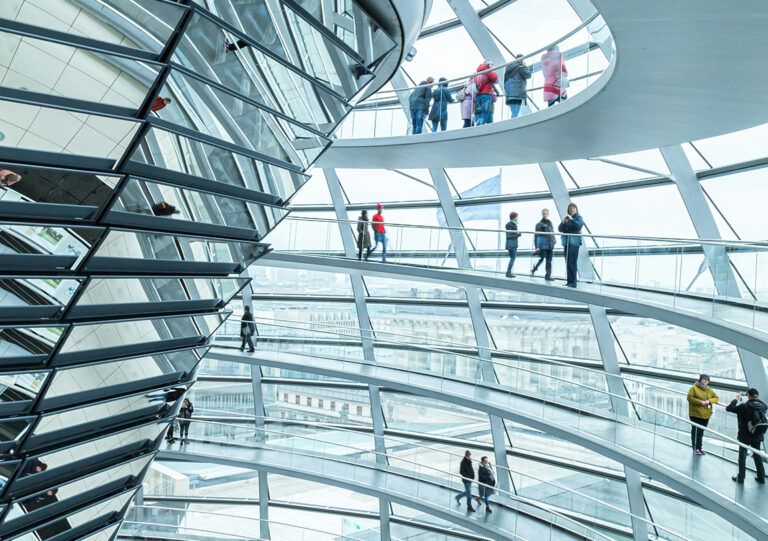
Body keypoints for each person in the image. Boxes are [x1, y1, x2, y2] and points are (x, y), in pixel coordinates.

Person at [726, 388, 767, 484]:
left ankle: (741, 477)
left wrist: (736, 399)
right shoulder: (762, 406)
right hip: (757, 436)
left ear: (748, 395)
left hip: (745, 436)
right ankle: (761, 477)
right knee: (757, 456)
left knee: (742, 456)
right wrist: (755, 398)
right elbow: (765, 405)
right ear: (757, 397)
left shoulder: (744, 406)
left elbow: (729, 408)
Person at [687, 374, 719, 455]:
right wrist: (700, 402)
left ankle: (700, 447)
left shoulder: (709, 390)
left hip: (705, 415)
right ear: (700, 379)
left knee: (701, 432)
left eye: (707, 380)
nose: (705, 381)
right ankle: (695, 448)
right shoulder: (693, 388)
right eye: (704, 379)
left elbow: (716, 398)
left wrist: (709, 401)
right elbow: (690, 398)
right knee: (695, 431)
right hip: (695, 414)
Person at [557, 203, 584, 287]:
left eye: (573, 208)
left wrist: (572, 219)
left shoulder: (578, 217)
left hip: (574, 243)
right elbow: (560, 229)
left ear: (576, 209)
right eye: (570, 209)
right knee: (568, 262)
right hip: (567, 242)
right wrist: (563, 222)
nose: (571, 210)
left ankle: (573, 282)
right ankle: (569, 281)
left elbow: (578, 226)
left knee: (572, 262)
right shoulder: (567, 218)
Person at [532, 208, 555, 280]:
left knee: (549, 261)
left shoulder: (550, 223)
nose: (545, 215)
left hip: (550, 245)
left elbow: (552, 234)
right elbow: (536, 236)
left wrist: (554, 242)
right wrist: (537, 246)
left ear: (548, 214)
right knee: (542, 259)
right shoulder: (539, 224)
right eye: (544, 213)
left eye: (546, 213)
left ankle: (548, 275)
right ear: (542, 214)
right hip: (543, 245)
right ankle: (534, 269)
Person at [473, 60, 499, 125]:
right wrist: (493, 72)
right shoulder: (488, 71)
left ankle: (478, 125)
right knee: (485, 112)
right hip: (487, 94)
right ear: (488, 65)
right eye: (491, 64)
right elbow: (496, 80)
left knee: (480, 111)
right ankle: (481, 126)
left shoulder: (477, 74)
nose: (492, 65)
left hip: (478, 96)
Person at [505, 212, 521, 277]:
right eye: (517, 217)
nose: (517, 218)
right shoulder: (509, 224)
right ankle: (508, 272)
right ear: (514, 217)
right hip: (511, 244)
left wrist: (517, 235)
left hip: (513, 244)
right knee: (513, 258)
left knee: (513, 258)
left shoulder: (513, 224)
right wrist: (518, 235)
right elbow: (509, 235)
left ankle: (509, 272)